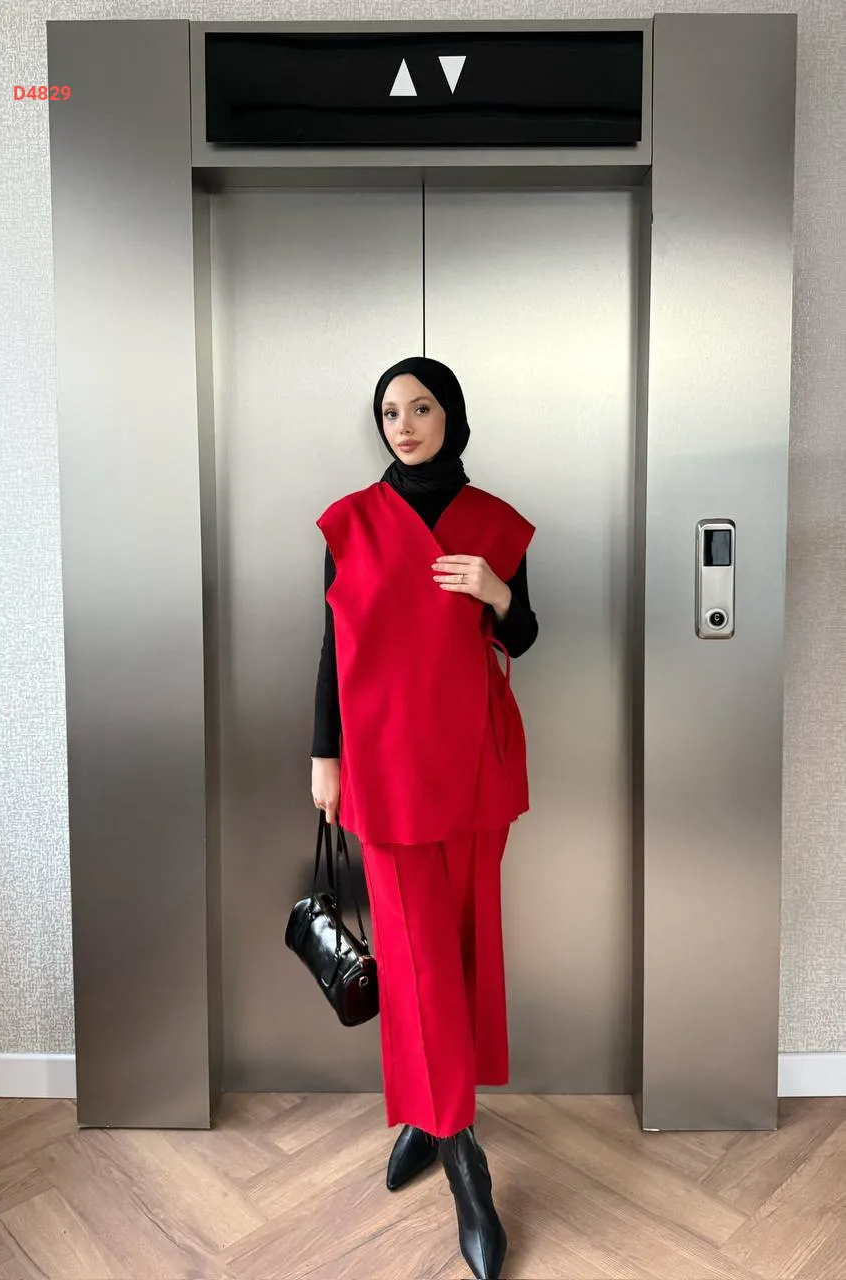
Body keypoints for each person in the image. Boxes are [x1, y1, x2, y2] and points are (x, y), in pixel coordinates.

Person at [310, 356, 538, 1280]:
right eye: (389, 412)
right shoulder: (349, 522)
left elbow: (524, 635)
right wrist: (323, 756)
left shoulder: (497, 525)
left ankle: (427, 1116)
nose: (402, 425)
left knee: (462, 944)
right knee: (414, 958)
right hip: (385, 769)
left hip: (476, 763)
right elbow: (330, 648)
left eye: (420, 408)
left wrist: (497, 593)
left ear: (452, 416)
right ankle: (464, 1160)